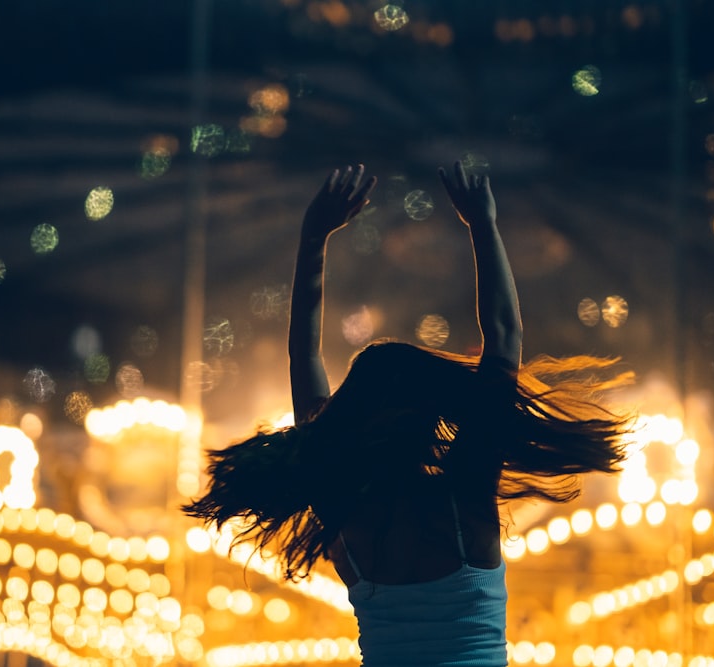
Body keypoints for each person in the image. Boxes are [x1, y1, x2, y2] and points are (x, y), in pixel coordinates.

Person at [183, 162, 632, 666]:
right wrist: (482, 222)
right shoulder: (462, 504)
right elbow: (504, 336)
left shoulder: (343, 507)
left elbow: (303, 355)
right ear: (427, 416)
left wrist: (314, 237)